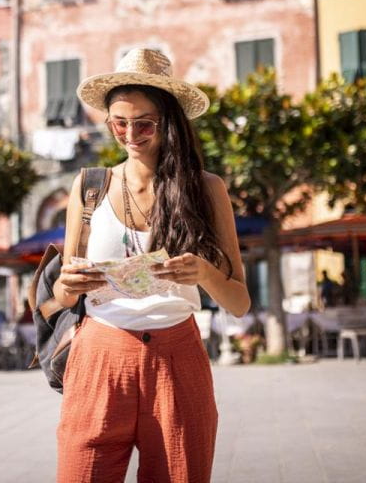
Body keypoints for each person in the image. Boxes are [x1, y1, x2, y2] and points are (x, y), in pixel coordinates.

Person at [52, 48, 250, 483]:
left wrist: (203, 274)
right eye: (119, 123)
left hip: (177, 361)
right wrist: (68, 284)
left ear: (170, 123)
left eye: (144, 123)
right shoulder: (87, 187)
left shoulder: (206, 190)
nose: (130, 134)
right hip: (98, 356)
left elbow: (239, 303)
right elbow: (63, 296)